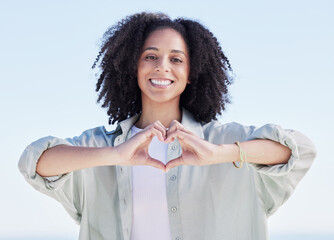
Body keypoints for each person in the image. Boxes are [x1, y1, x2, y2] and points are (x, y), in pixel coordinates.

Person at [18, 12, 317, 240]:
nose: (162, 66)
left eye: (176, 59)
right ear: (133, 67)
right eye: (151, 56)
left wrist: (218, 154)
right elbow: (35, 161)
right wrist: (116, 156)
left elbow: (299, 150)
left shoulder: (224, 141)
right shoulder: (103, 147)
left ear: (190, 74)